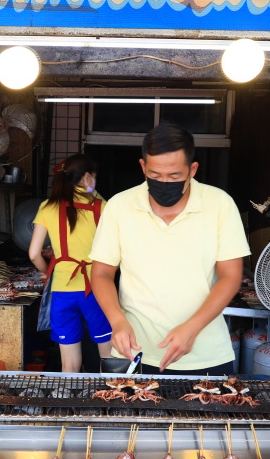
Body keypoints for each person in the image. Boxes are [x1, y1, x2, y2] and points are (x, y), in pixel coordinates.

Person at [89, 124, 250, 374]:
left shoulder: (220, 204)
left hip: (207, 355)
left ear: (192, 170)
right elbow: (101, 273)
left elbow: (230, 276)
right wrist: (117, 320)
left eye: (174, 176)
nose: (164, 182)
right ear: (143, 166)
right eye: (155, 175)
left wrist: (192, 328)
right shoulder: (119, 207)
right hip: (134, 352)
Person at [28, 154, 112, 373]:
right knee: (108, 358)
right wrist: (92, 192)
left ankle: (68, 396)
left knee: (69, 364)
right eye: (93, 178)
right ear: (87, 177)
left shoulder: (48, 207)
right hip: (96, 290)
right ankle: (110, 392)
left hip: (62, 291)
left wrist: (47, 272)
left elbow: (34, 253)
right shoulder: (102, 207)